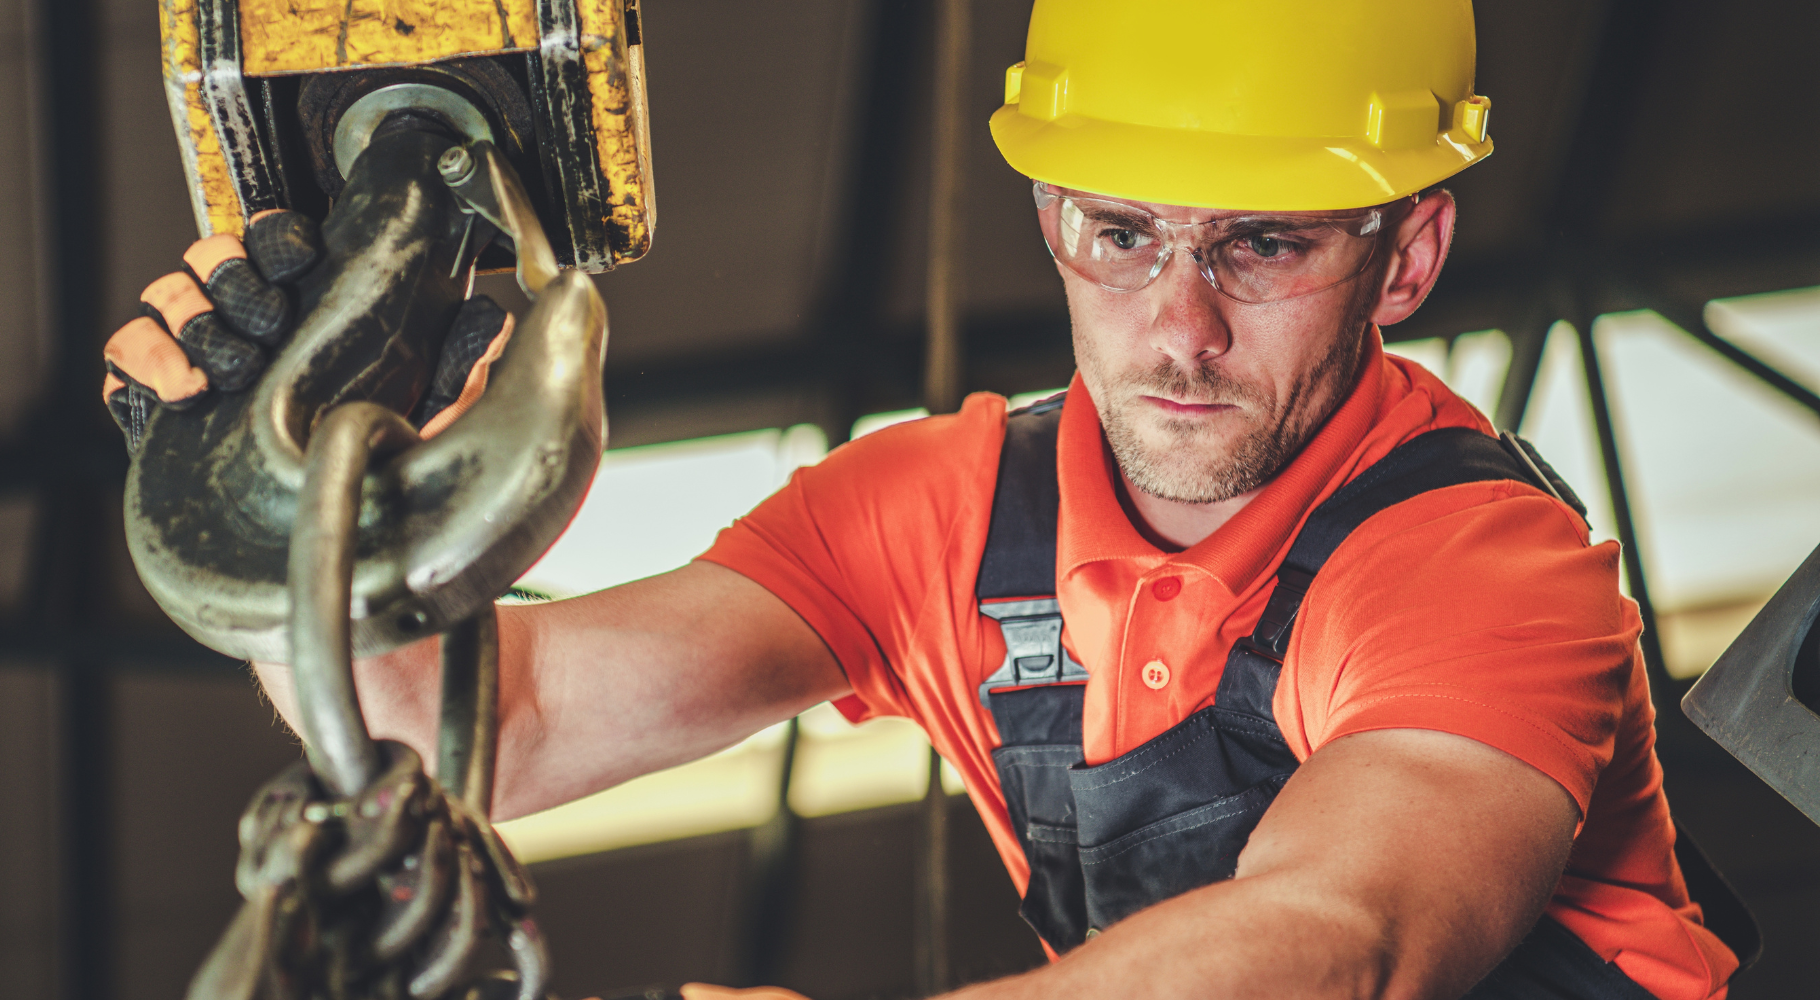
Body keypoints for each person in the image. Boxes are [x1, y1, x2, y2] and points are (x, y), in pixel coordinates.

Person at [106, 2, 1736, 997]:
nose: (1180, 325)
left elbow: (1347, 946)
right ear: (1046, 218)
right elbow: (475, 737)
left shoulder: (1479, 566)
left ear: (1413, 255)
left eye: (1267, 244)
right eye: (1120, 232)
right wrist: (264, 493)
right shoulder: (945, 512)